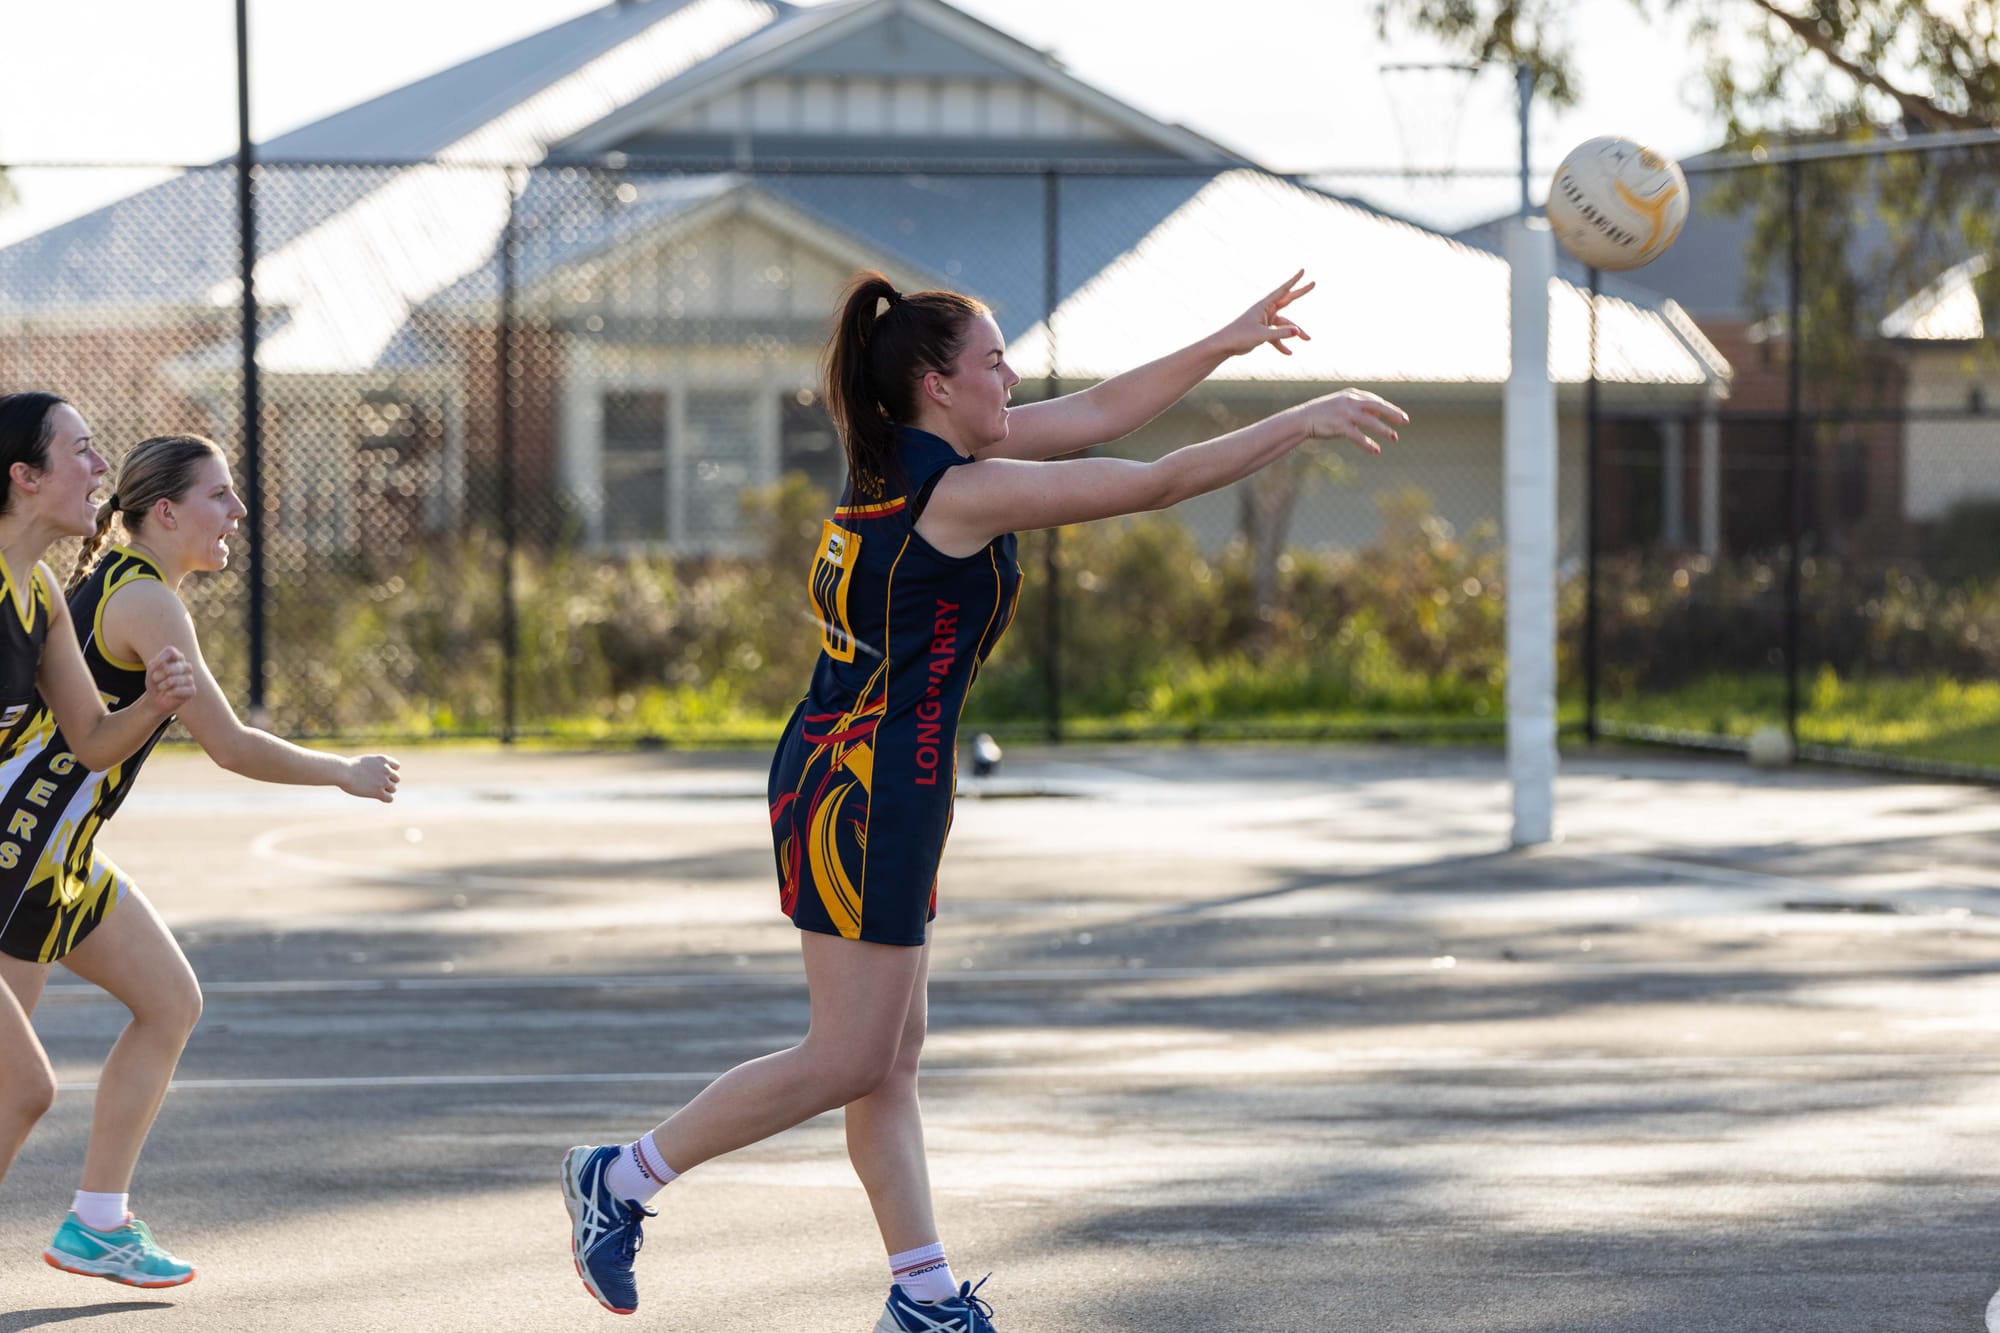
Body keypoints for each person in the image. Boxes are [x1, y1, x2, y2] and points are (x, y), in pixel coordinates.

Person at [560, 270, 1406, 1328]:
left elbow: (1101, 411)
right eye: (992, 363)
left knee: (888, 1058)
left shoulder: (931, 457)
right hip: (859, 788)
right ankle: (622, 1177)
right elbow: (1154, 480)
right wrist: (1302, 421)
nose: (1009, 378)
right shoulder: (957, 494)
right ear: (934, 384)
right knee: (851, 1054)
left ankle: (921, 1295)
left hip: (878, 775)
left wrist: (1225, 340)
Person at [0, 428, 401, 1288]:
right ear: (167, 510)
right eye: (220, 495)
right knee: (12, 1090)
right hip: (23, 858)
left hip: (63, 855)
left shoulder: (122, 583)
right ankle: (94, 1221)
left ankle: (97, 1221)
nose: (238, 511)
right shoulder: (144, 600)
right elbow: (229, 744)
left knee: (170, 1000)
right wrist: (343, 772)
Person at [0, 393, 196, 1193]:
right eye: (81, 450)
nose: (100, 468)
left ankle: (100, 1218)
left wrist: (151, 704)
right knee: (23, 1087)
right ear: (24, 475)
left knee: (20, 1088)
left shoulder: (40, 593)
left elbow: (89, 739)